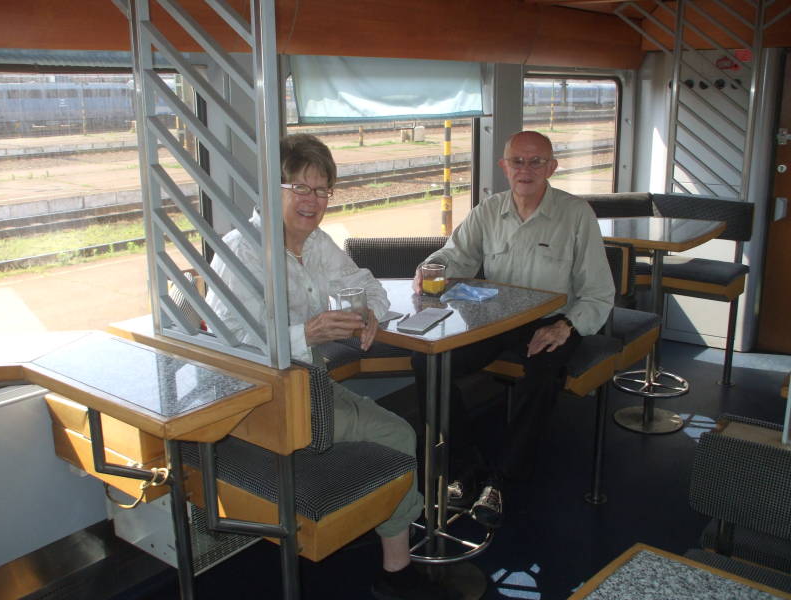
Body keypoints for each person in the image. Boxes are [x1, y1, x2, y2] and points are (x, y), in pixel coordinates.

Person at [206, 133, 443, 600]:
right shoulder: (241, 252)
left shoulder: (316, 244)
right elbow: (227, 344)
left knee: (393, 427)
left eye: (321, 190)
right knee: (401, 434)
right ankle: (397, 572)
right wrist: (305, 336)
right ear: (271, 190)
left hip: (307, 386)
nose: (312, 201)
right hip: (259, 400)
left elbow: (362, 283)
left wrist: (370, 312)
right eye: (300, 188)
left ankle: (385, 539)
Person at [410, 130, 615, 529]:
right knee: (429, 361)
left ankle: (502, 479)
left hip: (554, 320)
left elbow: (598, 291)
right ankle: (463, 466)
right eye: (517, 161)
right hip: (497, 318)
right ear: (504, 167)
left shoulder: (576, 215)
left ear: (552, 167)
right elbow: (458, 255)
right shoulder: (489, 211)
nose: (526, 169)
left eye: (536, 161)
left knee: (541, 372)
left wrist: (566, 326)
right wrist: (429, 267)